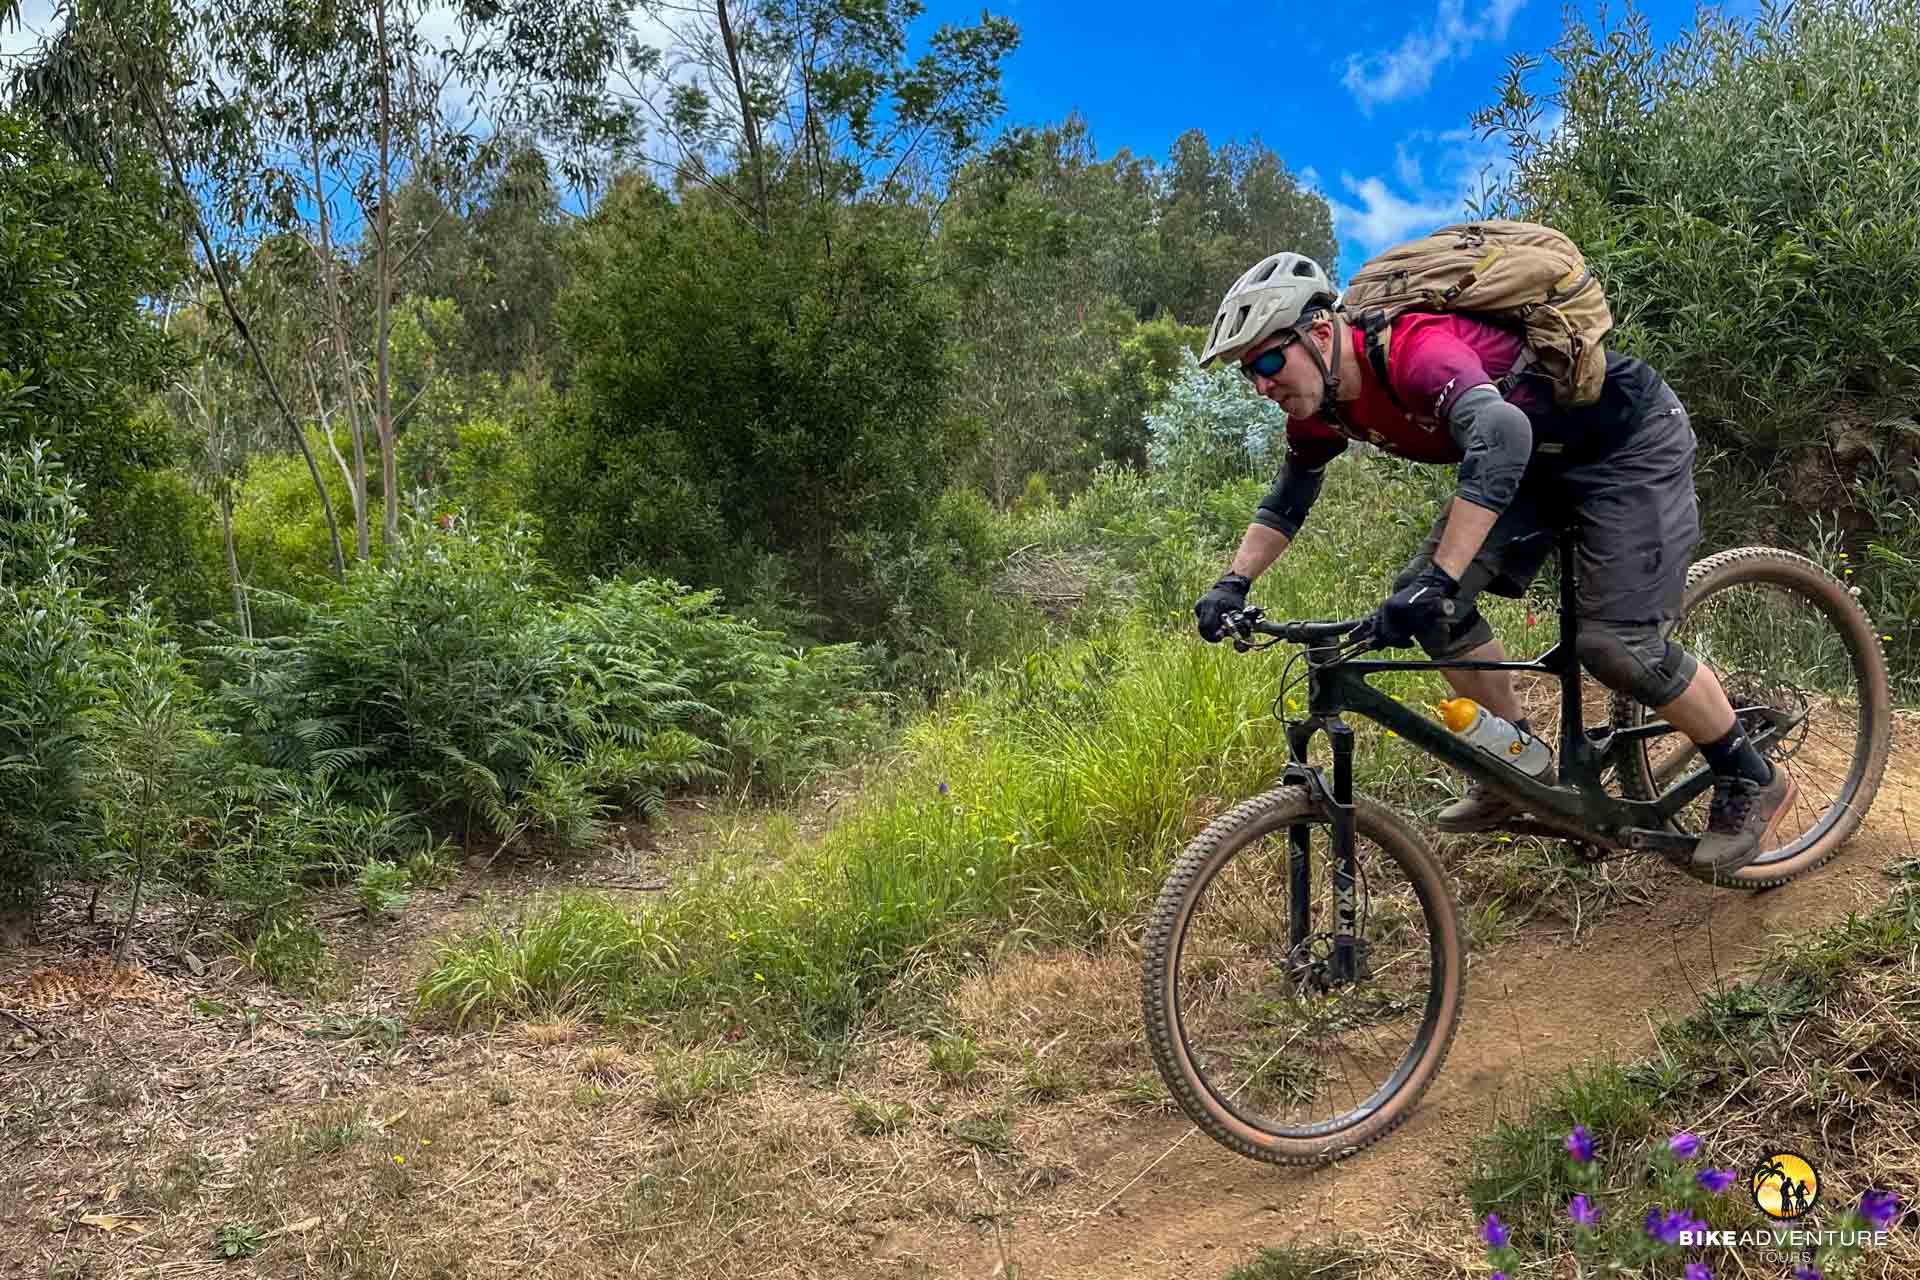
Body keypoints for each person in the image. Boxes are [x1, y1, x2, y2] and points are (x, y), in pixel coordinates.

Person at [1190, 250, 1794, 873]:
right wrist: (1232, 584)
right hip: (1538, 464)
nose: (1261, 384)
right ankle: (1519, 758)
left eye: (1267, 360)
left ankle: (1748, 774)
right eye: (1248, 373)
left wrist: (1440, 577)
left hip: (1625, 443)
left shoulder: (1414, 351)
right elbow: (1289, 498)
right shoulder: (1327, 403)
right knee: (1431, 609)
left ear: (1319, 333)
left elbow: (1501, 433)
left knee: (1614, 645)